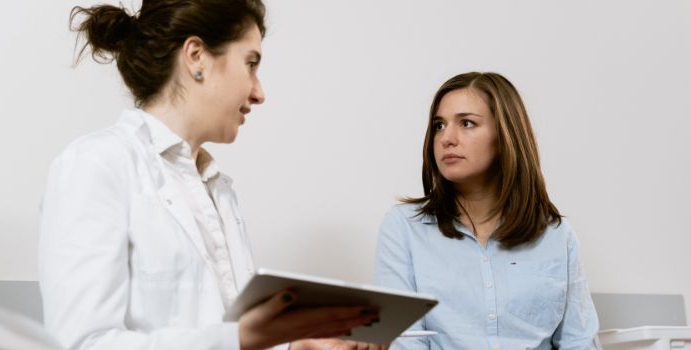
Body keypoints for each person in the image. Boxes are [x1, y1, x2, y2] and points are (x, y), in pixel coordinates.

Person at [38, 1, 386, 349]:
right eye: (250, 64)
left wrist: (295, 346)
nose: (259, 92)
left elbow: (224, 332)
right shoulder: (95, 164)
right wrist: (241, 338)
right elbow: (82, 344)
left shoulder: (217, 190)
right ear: (197, 57)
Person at [373, 72, 601, 349]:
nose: (447, 138)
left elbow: (579, 341)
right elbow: (404, 343)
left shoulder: (556, 236)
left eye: (467, 123)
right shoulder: (403, 228)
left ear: (505, 135)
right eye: (439, 125)